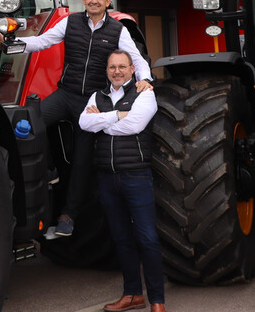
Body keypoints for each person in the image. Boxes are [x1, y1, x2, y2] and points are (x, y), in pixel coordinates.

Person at [0, 0, 151, 236]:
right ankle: (49, 167)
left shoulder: (118, 30)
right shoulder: (71, 22)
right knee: (30, 123)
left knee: (82, 162)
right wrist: (9, 44)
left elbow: (137, 60)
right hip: (66, 94)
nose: (94, 1)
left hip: (92, 102)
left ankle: (68, 216)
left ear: (108, 2)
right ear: (84, 0)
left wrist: (145, 80)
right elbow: (41, 41)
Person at [79, 50, 166, 312]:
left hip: (136, 176)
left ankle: (157, 300)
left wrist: (101, 121)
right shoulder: (98, 96)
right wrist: (117, 116)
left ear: (131, 69)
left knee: (147, 238)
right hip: (107, 177)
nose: (117, 71)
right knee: (121, 238)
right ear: (107, 70)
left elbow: (135, 126)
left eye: (122, 67)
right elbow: (84, 122)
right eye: (112, 67)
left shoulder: (144, 93)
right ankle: (132, 295)